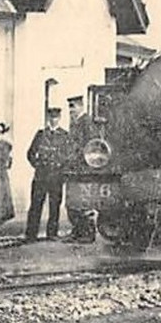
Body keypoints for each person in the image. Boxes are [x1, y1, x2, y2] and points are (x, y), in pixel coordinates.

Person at [24, 106, 72, 241]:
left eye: (56, 118)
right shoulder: (40, 134)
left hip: (56, 176)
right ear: (48, 119)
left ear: (59, 119)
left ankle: (52, 233)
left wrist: (62, 170)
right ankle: (31, 234)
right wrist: (37, 164)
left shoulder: (64, 136)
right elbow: (30, 153)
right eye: (51, 118)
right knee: (35, 205)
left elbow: (69, 156)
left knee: (54, 205)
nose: (54, 121)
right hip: (41, 175)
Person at [65, 96, 97, 243]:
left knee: (84, 202)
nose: (71, 110)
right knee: (73, 201)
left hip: (83, 168)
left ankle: (88, 233)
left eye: (74, 107)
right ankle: (77, 231)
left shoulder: (86, 121)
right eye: (70, 108)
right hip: (73, 167)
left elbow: (90, 145)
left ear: (81, 106)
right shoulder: (75, 122)